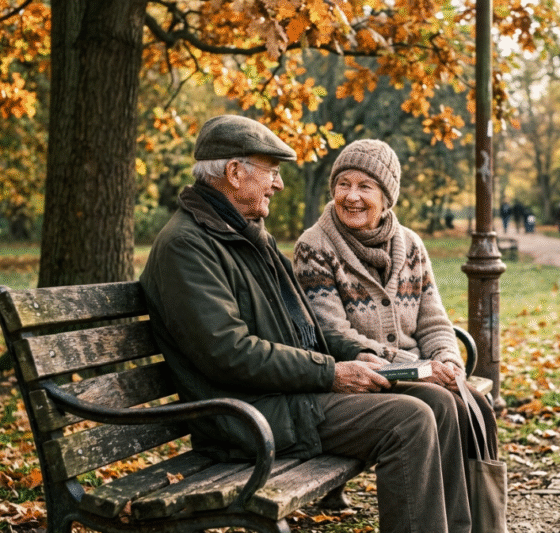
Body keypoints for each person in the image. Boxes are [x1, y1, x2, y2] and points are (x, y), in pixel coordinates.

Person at [139, 116, 471, 533]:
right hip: (245, 417)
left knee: (439, 401)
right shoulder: (187, 246)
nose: (277, 185)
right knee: (411, 420)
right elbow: (228, 353)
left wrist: (357, 355)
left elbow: (307, 327)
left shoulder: (242, 234)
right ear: (234, 172)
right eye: (272, 173)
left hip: (285, 395)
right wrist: (330, 373)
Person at [292, 139, 500, 513]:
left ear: (387, 197)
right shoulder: (315, 246)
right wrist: (417, 367)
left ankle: (474, 522)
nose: (351, 196)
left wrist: (447, 361)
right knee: (440, 401)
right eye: (343, 184)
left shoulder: (411, 244)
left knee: (473, 403)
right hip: (361, 377)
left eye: (364, 186)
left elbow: (434, 320)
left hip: (415, 372)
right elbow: (332, 332)